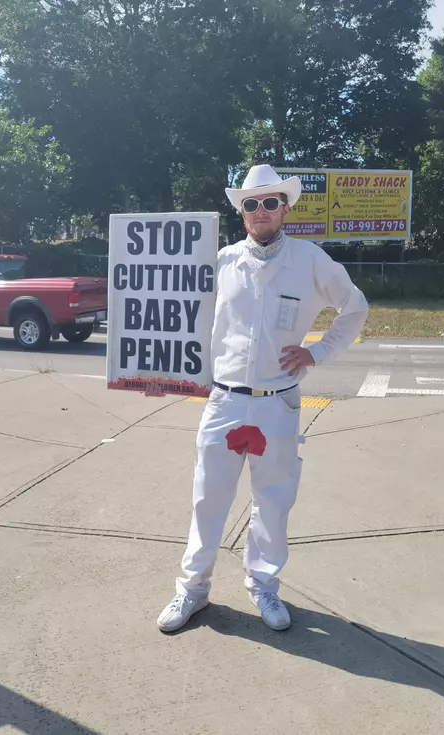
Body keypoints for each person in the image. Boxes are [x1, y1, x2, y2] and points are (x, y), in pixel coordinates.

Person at [151, 164, 369, 633]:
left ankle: (263, 586)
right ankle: (193, 589)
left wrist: (318, 352)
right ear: (242, 212)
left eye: (271, 202)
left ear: (285, 208)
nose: (261, 211)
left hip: (278, 402)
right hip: (225, 401)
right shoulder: (223, 261)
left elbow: (355, 306)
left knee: (273, 498)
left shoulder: (311, 261)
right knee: (208, 497)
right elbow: (185, 320)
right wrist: (165, 370)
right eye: (252, 204)